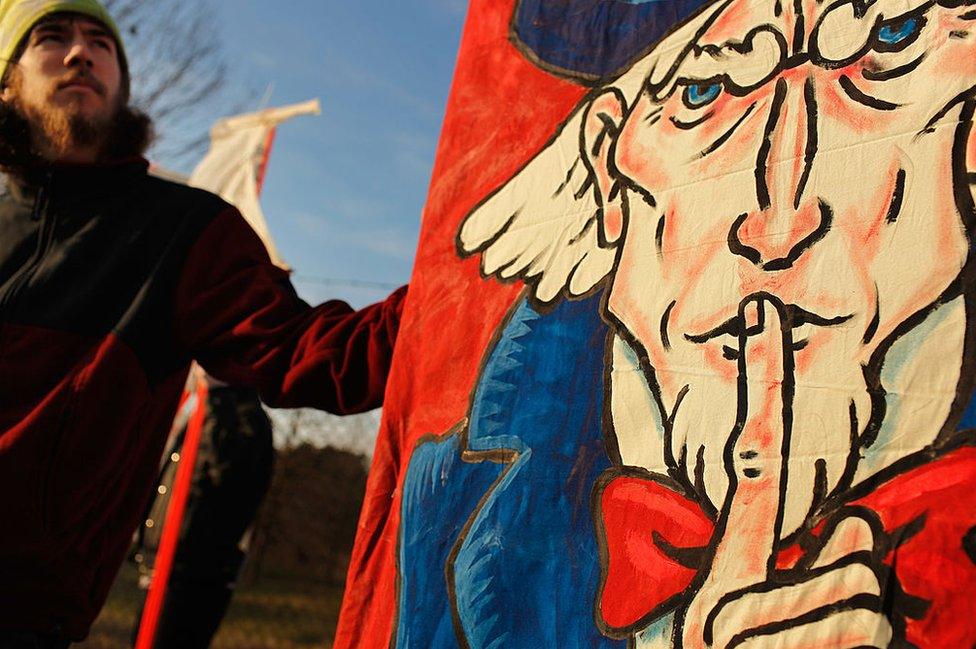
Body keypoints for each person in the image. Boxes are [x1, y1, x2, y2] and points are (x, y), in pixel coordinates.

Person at [396, 0, 976, 646]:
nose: (777, 228)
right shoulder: (443, 504)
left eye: (886, 45)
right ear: (607, 167)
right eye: (705, 91)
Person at [0, 1, 406, 646]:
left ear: (123, 86)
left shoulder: (185, 234)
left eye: (100, 42)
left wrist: (460, 294)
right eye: (51, 37)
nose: (80, 52)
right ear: (8, 79)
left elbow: (321, 357)